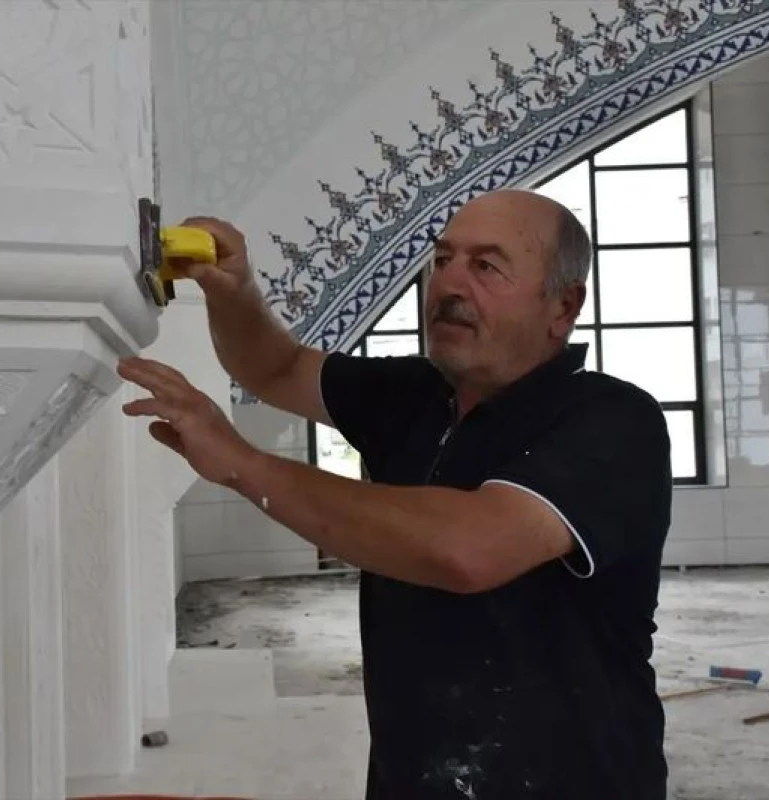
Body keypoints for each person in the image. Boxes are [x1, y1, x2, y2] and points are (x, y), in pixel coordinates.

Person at [116, 189, 672, 800]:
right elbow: (277, 368)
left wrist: (243, 464)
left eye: (486, 266)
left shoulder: (615, 422)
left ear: (563, 307)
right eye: (443, 259)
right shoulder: (415, 394)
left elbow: (468, 549)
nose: (448, 284)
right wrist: (234, 290)